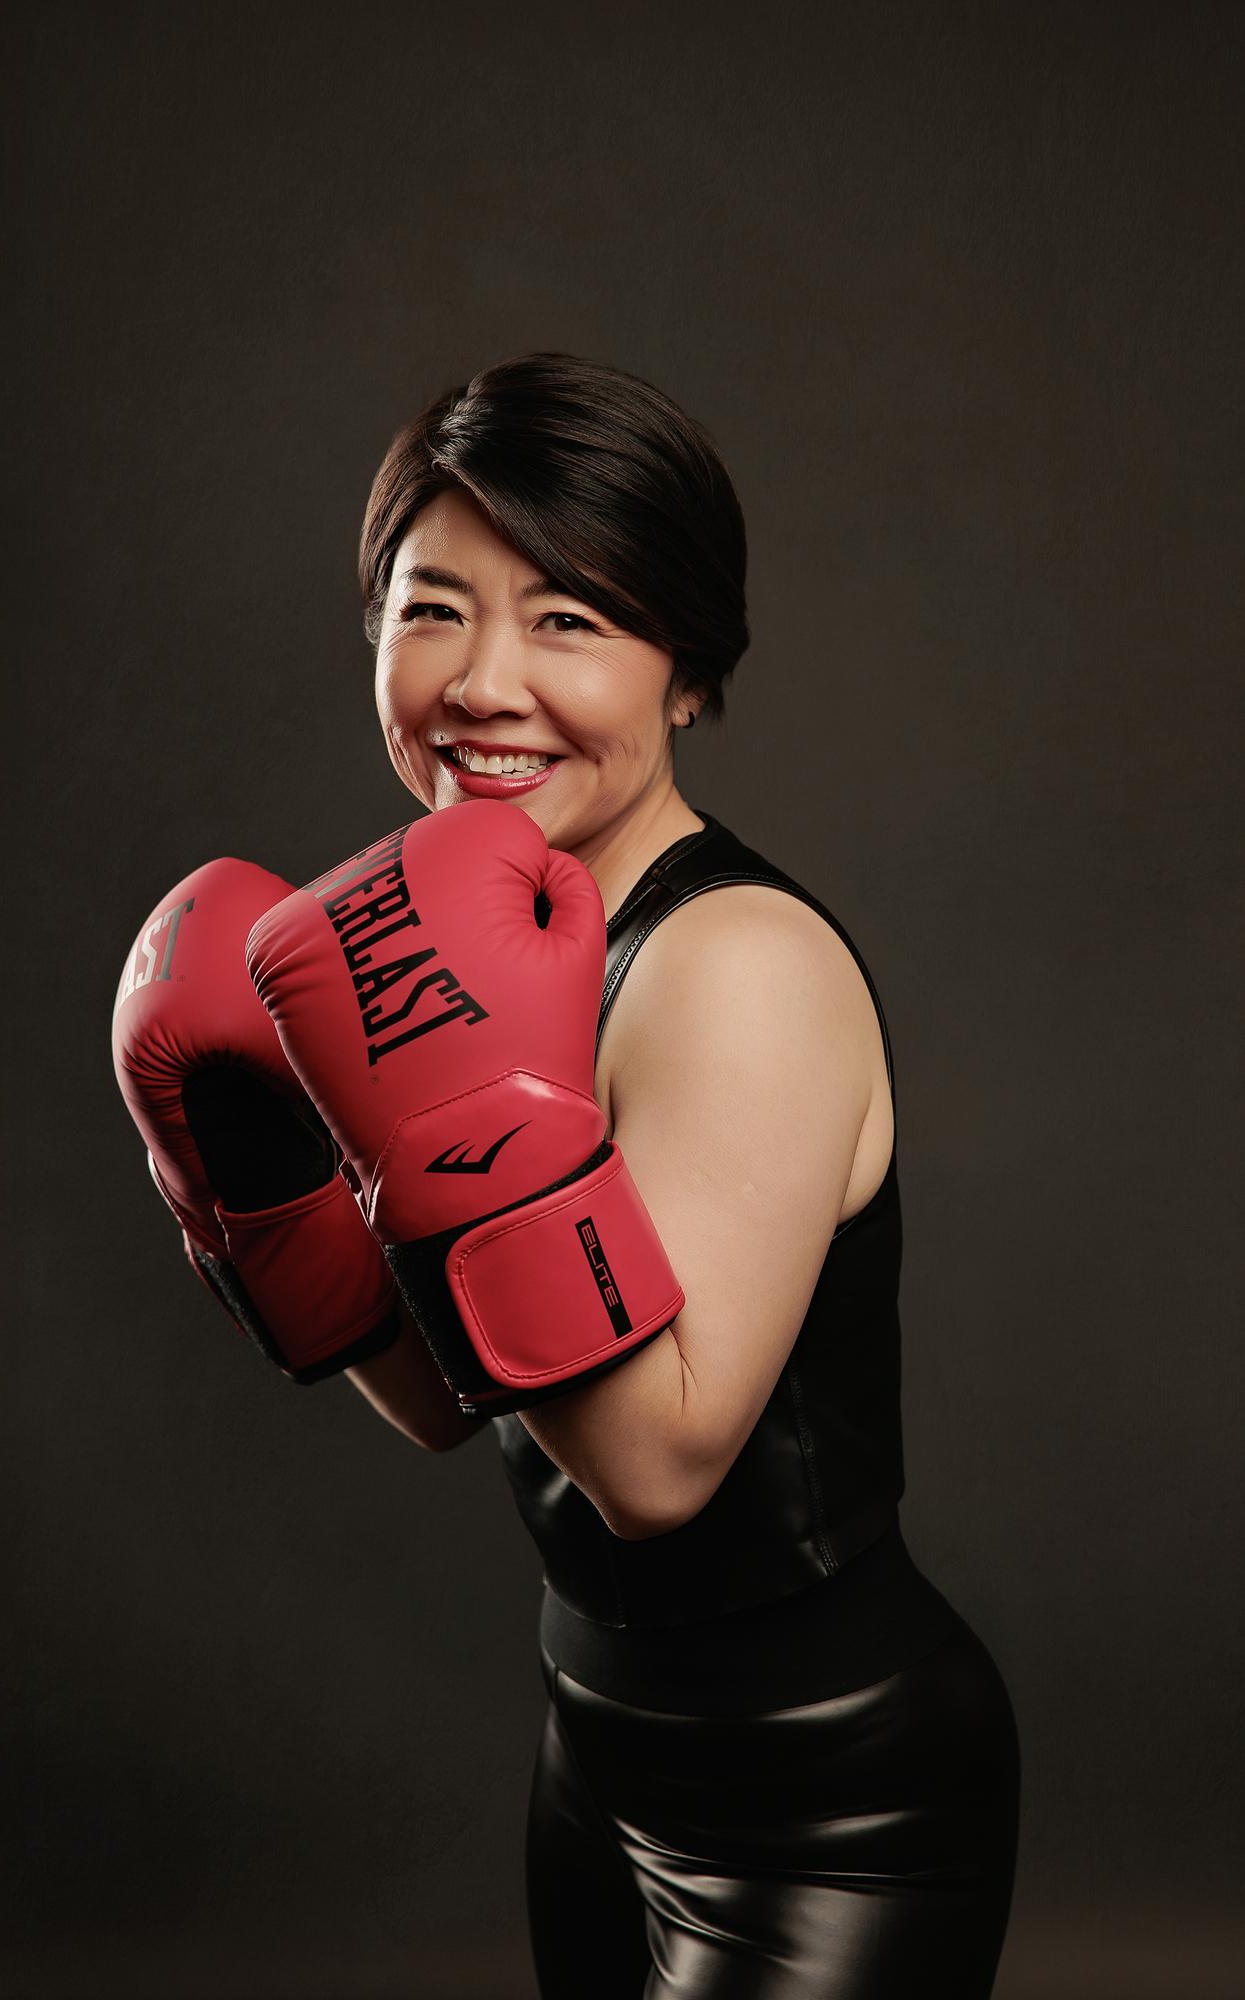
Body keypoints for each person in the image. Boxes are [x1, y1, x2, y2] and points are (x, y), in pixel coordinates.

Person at [113, 352, 1021, 1997]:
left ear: (684, 670)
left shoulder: (734, 959)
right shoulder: (418, 942)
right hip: (598, 1756)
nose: (480, 682)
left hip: (823, 1800)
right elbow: (450, 1397)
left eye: (568, 620)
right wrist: (259, 1193)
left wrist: (439, 1125)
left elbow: (655, 1471)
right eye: (433, 609)